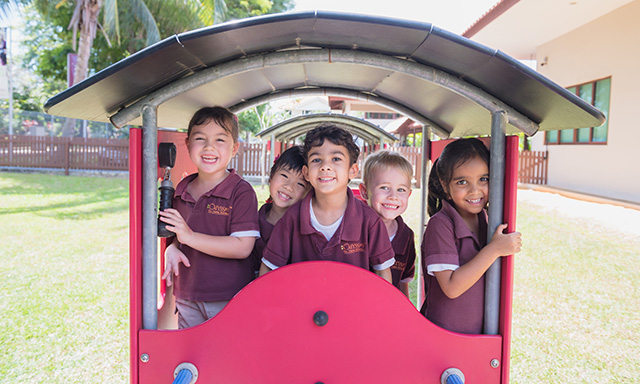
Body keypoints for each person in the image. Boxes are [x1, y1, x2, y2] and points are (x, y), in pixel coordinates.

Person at [159, 106, 259, 329]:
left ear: (234, 148)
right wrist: (173, 247)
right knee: (194, 357)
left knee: (225, 356)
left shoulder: (240, 192)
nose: (209, 146)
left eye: (220, 140)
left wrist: (189, 237)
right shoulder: (182, 189)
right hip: (187, 295)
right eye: (200, 138)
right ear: (187, 144)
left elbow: (243, 247)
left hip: (228, 296)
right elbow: (181, 234)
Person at [259, 124, 395, 282]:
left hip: (353, 306)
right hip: (300, 306)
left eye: (336, 159)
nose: (325, 167)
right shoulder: (292, 219)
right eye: (317, 160)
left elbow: (383, 273)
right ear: (307, 173)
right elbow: (268, 269)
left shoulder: (369, 221)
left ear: (352, 170)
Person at [420, 138, 522, 334]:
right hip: (442, 334)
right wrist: (493, 250)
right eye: (462, 182)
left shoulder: (488, 220)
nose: (475, 191)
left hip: (480, 335)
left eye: (483, 179)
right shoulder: (440, 225)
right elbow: (451, 287)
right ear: (444, 184)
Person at [359, 150, 416, 297]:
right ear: (365, 192)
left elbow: (403, 283)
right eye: (384, 188)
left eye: (401, 190)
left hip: (385, 311)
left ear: (409, 194)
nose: (393, 197)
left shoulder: (406, 236)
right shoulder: (353, 228)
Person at [249, 145, 310, 275]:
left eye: (300, 184)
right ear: (271, 175)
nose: (289, 187)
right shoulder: (253, 220)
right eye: (284, 175)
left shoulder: (305, 229)